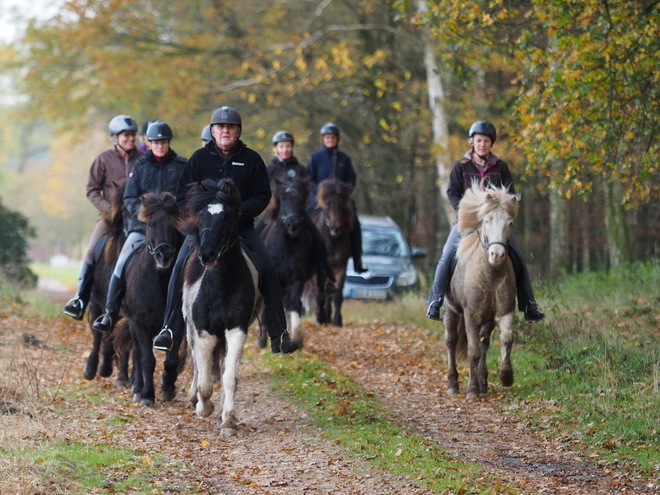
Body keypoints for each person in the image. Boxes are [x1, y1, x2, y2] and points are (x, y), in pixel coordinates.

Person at [152, 106, 299, 354]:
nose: (225, 131)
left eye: (230, 127)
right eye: (220, 127)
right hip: (203, 231)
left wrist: (241, 211)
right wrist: (201, 215)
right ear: (212, 131)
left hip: (241, 229)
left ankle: (279, 333)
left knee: (268, 268)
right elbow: (181, 197)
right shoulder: (198, 159)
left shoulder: (252, 159)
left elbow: (263, 195)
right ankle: (169, 328)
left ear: (238, 131)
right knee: (178, 267)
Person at [426, 121, 545, 323]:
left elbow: (509, 195)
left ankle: (528, 304)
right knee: (446, 256)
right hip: (468, 222)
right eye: (479, 140)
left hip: (496, 224)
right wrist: (464, 210)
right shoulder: (460, 167)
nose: (482, 144)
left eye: (486, 141)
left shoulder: (501, 167)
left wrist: (503, 214)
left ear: (491, 144)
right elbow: (452, 193)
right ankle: (435, 300)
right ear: (472, 142)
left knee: (518, 258)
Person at [92, 121, 187, 333]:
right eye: (156, 142)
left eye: (163, 142)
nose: (160, 146)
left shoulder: (182, 166)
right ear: (149, 143)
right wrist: (146, 214)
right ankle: (110, 311)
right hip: (143, 228)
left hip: (173, 229)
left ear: (168, 142)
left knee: (193, 260)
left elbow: (187, 197)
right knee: (122, 262)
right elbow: (129, 197)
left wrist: (175, 214)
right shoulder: (141, 166)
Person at [63, 115, 144, 320]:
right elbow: (91, 190)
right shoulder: (103, 159)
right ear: (115, 138)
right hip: (109, 219)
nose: (131, 139)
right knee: (91, 252)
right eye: (126, 135)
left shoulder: (142, 160)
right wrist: (108, 209)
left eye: (133, 135)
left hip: (137, 218)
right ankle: (80, 299)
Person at [257, 130, 338, 296]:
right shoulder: (269, 169)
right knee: (254, 236)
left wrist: (301, 208)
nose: (285, 149)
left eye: (288, 146)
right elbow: (262, 191)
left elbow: (309, 192)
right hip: (274, 213)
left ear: (292, 148)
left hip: (297, 214)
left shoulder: (301, 169)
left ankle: (326, 280)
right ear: (276, 149)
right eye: (282, 146)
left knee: (318, 240)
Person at [307, 122, 367, 273]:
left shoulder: (344, 159)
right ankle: (303, 254)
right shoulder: (316, 158)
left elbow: (352, 179)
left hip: (341, 199)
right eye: (327, 137)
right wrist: (319, 192)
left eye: (332, 137)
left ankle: (357, 259)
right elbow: (309, 178)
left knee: (355, 222)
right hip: (320, 199)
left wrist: (344, 191)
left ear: (337, 139)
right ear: (323, 139)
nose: (330, 140)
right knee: (304, 217)